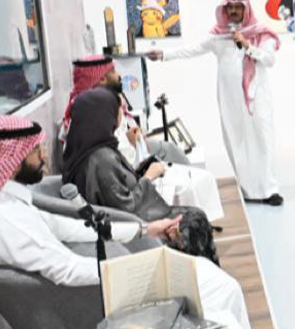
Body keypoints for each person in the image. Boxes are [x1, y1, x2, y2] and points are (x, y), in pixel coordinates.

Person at [0, 114, 252, 329]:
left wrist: (146, 230)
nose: (45, 156)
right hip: (101, 303)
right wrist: (138, 269)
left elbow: (72, 228)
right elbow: (66, 270)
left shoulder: (13, 202)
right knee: (223, 288)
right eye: (36, 150)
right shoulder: (9, 219)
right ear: (13, 157)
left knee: (211, 277)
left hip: (107, 284)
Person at [147, 0, 283, 206]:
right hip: (230, 100)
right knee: (236, 142)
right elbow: (192, 49)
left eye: (238, 7)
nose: (234, 11)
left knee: (263, 141)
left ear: (246, 9)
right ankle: (248, 190)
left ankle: (269, 189)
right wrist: (163, 54)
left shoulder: (261, 34)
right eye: (231, 7)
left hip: (257, 99)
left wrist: (247, 45)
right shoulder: (219, 36)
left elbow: (269, 60)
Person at [62, 88, 220, 263]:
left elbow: (115, 188)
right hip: (134, 224)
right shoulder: (102, 159)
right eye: (116, 108)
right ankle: (202, 272)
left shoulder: (84, 150)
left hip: (121, 221)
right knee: (196, 220)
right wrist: (148, 177)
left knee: (195, 216)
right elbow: (126, 207)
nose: (120, 112)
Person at [61, 55, 189, 166]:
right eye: (113, 71)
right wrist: (132, 143)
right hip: (124, 168)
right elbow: (109, 158)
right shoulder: (91, 111)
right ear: (102, 79)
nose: (119, 75)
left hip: (130, 155)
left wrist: (134, 137)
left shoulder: (102, 102)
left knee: (171, 150)